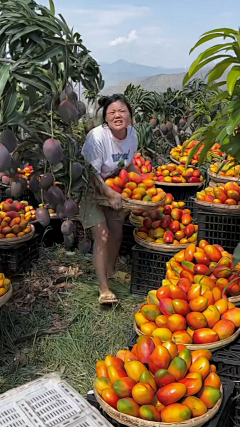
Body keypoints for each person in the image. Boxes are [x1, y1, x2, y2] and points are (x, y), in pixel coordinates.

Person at [80, 94, 138, 304]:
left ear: (130, 115)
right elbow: (90, 173)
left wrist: (143, 183)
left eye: (122, 111)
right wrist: (109, 193)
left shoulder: (132, 134)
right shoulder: (97, 137)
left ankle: (111, 270)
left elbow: (129, 164)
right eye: (112, 112)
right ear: (105, 118)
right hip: (88, 187)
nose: (117, 115)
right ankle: (104, 289)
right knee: (103, 235)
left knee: (117, 232)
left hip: (113, 186)